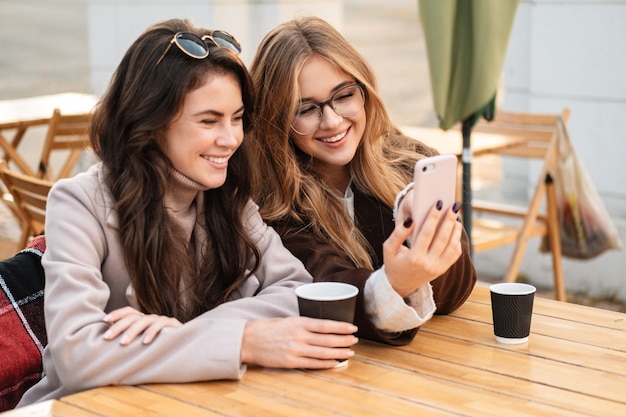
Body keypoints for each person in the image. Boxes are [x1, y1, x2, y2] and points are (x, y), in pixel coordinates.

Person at [17, 18, 358, 407]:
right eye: (209, 121)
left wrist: (182, 333)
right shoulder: (79, 203)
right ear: (151, 122)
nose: (230, 139)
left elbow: (296, 290)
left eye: (237, 117)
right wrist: (242, 341)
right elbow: (78, 357)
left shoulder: (227, 197)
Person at [248, 16, 477, 346]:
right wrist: (394, 284)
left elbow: (457, 291)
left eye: (343, 96)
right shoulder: (270, 201)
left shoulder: (411, 161)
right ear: (276, 118)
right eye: (306, 108)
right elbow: (325, 287)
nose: (332, 120)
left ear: (365, 92)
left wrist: (417, 225)